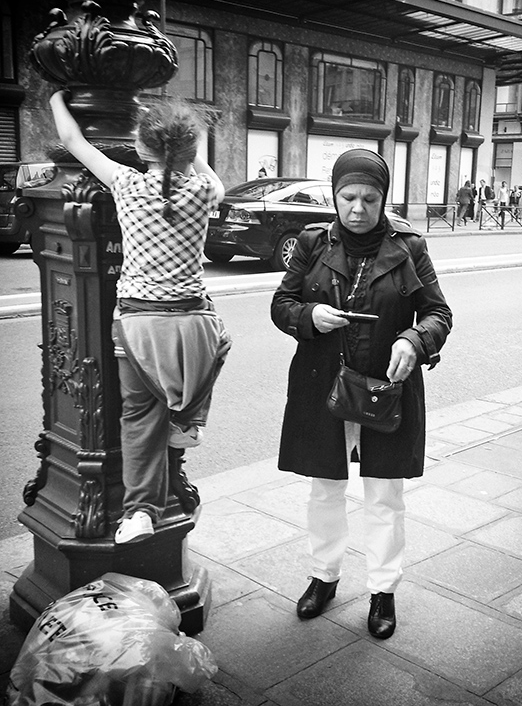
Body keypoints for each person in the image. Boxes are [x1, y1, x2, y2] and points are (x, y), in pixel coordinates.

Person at [271, 149, 452, 639]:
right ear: (334, 196)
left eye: (369, 198)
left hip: (385, 389)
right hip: (322, 385)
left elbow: (438, 313)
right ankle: (324, 578)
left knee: (384, 495)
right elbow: (282, 303)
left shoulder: (410, 247)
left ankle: (382, 590)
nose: (356, 208)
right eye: (347, 197)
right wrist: (308, 317)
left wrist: (413, 340)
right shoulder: (312, 243)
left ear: (383, 198)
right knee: (325, 488)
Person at [50, 90, 231, 543]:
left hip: (138, 325)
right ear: (189, 151)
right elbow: (206, 171)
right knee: (211, 357)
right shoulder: (206, 191)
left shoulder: (127, 186)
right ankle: (187, 419)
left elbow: (72, 139)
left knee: (137, 415)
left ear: (142, 148)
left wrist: (55, 93)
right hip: (193, 324)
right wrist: (190, 149)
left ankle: (139, 512)